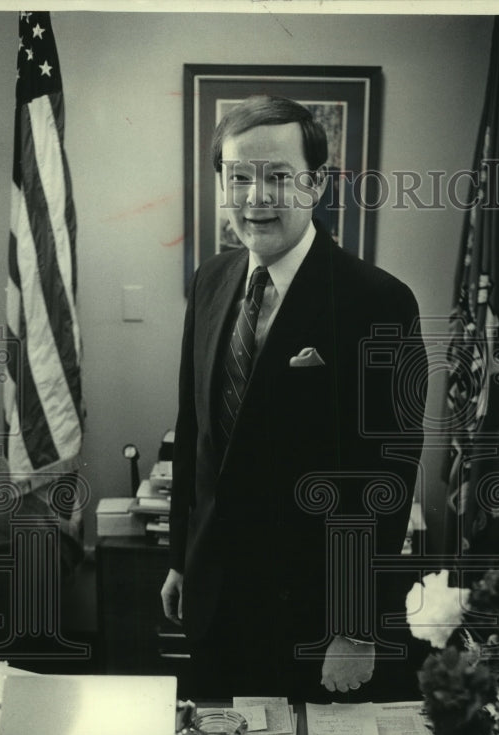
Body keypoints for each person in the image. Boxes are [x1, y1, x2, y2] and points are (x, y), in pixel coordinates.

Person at [161, 95, 427, 702]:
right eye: (239, 177)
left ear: (317, 183)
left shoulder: (378, 303)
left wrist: (356, 627)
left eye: (279, 176)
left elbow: (386, 480)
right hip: (214, 597)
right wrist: (181, 558)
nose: (257, 198)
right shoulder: (211, 280)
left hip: (312, 621)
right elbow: (193, 430)